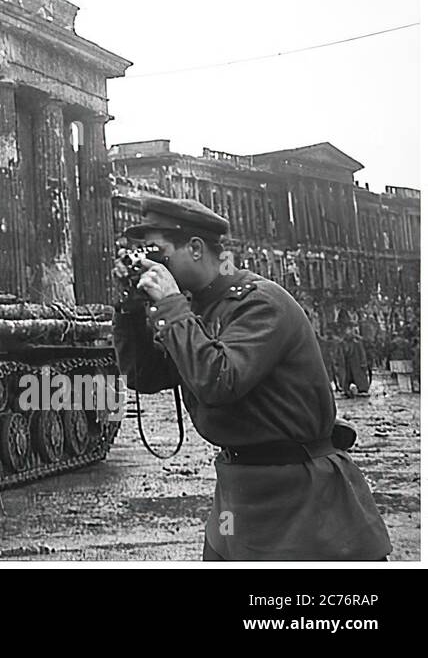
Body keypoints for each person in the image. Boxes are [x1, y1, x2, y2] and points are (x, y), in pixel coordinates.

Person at [114, 196, 390, 561]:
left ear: (195, 248)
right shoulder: (196, 309)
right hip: (236, 491)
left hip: (300, 491)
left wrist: (169, 304)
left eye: (159, 253)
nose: (151, 264)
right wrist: (130, 310)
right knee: (221, 551)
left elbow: (218, 381)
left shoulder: (259, 303)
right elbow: (145, 376)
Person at [338, 326, 372, 397]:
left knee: (360, 378)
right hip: (347, 365)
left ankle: (363, 389)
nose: (348, 333)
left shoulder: (357, 343)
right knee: (346, 378)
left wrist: (363, 363)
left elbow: (362, 353)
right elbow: (340, 354)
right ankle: (346, 389)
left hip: (356, 364)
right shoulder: (342, 343)